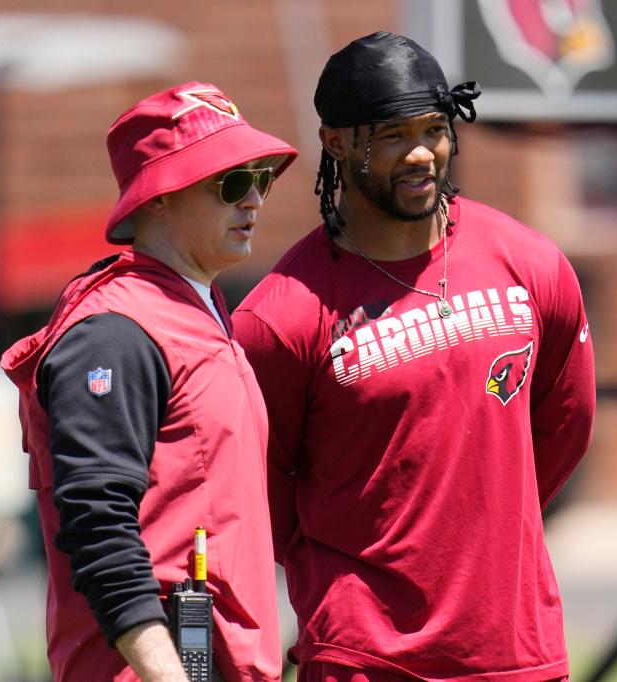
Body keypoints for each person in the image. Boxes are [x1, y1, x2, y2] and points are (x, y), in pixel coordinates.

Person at [232, 32, 595, 681]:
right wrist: (344, 577)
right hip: (363, 658)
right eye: (394, 135)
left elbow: (563, 428)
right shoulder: (278, 318)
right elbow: (256, 488)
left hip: (515, 651)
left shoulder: (531, 264)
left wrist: (483, 529)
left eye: (435, 128)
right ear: (337, 143)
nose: (422, 153)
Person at [1, 81, 298, 682]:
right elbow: (97, 521)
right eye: (232, 183)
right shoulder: (114, 330)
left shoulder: (196, 307)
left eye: (260, 178)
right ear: (159, 197)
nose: (255, 202)